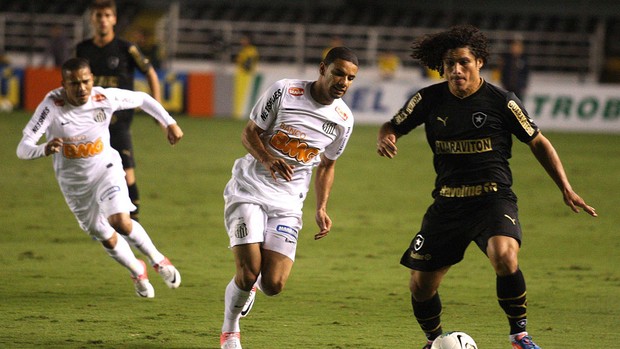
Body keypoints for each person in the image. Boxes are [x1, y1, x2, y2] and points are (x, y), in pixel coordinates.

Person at [376, 25, 597, 349]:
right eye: (449, 63)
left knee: (504, 255)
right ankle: (435, 341)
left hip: (492, 198)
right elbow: (392, 125)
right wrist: (387, 135)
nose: (456, 70)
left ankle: (519, 335)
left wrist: (565, 187)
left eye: (463, 62)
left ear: (479, 62)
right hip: (448, 203)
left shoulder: (501, 101)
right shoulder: (427, 99)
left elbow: (538, 142)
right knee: (421, 285)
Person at [219, 47, 359, 349]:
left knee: (273, 285)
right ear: (323, 69)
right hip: (250, 189)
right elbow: (249, 133)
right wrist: (268, 159)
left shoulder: (343, 119)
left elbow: (327, 165)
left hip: (288, 203)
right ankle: (230, 331)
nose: (344, 82)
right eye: (339, 73)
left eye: (350, 78)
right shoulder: (285, 91)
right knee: (246, 273)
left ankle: (254, 287)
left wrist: (321, 207)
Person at [16, 58, 183, 298]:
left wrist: (169, 122)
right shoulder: (52, 104)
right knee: (106, 236)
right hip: (74, 185)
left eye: (85, 81)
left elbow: (143, 99)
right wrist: (44, 149)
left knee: (120, 221)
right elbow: (23, 148)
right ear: (64, 84)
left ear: (92, 79)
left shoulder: (104, 97)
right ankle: (137, 269)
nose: (81, 88)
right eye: (74, 83)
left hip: (106, 169)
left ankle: (158, 259)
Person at [77, 0, 162, 221]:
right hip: (91, 122)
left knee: (126, 172)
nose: (103, 20)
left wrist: (157, 108)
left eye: (107, 15)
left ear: (114, 19)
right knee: (92, 171)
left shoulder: (126, 48)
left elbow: (151, 73)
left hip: (119, 121)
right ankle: (101, 220)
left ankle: (134, 220)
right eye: (98, 16)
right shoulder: (83, 49)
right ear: (92, 19)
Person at [233, 33, 260, 119]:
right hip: (241, 75)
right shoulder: (243, 50)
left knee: (247, 96)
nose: (242, 41)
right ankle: (240, 113)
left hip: (247, 76)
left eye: (244, 39)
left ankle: (247, 114)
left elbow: (247, 65)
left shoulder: (251, 51)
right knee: (240, 96)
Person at [499, 36, 529, 100]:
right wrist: (503, 82)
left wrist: (523, 84)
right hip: (508, 86)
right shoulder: (507, 59)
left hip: (518, 87)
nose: (515, 49)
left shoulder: (524, 59)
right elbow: (503, 71)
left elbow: (525, 73)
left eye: (518, 47)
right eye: (514, 47)